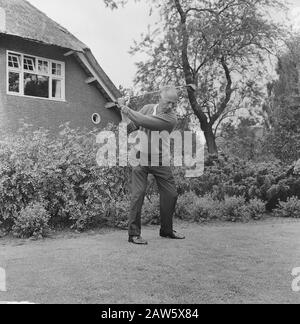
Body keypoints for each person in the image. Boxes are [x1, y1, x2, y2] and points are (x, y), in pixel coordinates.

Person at [118, 85, 185, 245]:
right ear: (160, 98)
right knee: (138, 194)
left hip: (160, 160)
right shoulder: (147, 108)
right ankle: (134, 234)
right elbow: (131, 127)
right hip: (140, 158)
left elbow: (144, 121)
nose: (170, 106)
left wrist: (125, 108)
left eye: (173, 104)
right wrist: (122, 111)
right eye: (168, 102)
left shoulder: (171, 119)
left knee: (171, 195)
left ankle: (166, 230)